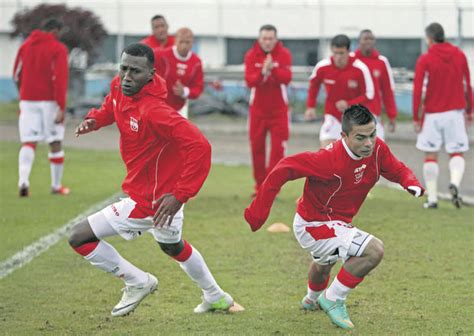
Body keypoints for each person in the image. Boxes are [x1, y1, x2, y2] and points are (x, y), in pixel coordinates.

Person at [69, 43, 234, 317]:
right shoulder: (119, 87)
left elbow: (201, 147)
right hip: (165, 197)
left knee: (79, 237)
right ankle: (216, 296)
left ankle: (138, 282)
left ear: (150, 74)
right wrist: (94, 120)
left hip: (152, 201)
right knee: (172, 246)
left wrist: (180, 195)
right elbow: (112, 107)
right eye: (124, 69)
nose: (127, 77)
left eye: (135, 71)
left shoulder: (154, 110)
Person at [244, 105, 424, 330]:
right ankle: (334, 297)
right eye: (360, 137)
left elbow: (396, 169)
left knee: (323, 264)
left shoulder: (377, 149)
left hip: (337, 223)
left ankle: (311, 300)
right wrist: (257, 213)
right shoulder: (328, 159)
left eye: (372, 135)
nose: (368, 143)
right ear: (344, 136)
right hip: (313, 225)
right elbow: (284, 168)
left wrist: (411, 182)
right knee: (373, 250)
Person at [413, 22, 472, 209]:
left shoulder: (425, 58)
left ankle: (432, 199)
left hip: (432, 115)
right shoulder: (460, 55)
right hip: (455, 113)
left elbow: (417, 90)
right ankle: (454, 182)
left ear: (429, 38)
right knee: (457, 151)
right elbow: (468, 84)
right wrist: (471, 110)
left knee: (431, 155)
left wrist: (416, 116)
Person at [12, 18, 70, 197]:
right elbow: (60, 79)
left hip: (27, 100)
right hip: (50, 102)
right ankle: (56, 185)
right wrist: (61, 106)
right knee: (55, 141)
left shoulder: (25, 46)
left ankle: (23, 180)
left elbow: (16, 75)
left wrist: (23, 94)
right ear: (55, 31)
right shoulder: (58, 48)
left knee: (29, 141)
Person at [244, 24, 292, 194]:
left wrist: (274, 69)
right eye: (264, 38)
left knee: (278, 151)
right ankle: (259, 186)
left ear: (276, 39)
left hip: (279, 112)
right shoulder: (251, 55)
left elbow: (287, 78)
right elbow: (250, 81)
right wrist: (263, 72)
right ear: (259, 39)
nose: (267, 42)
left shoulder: (284, 54)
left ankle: (271, 187)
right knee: (257, 148)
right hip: (257, 111)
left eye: (271, 38)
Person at [305, 34, 374, 148]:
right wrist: (310, 106)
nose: (338, 57)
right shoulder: (323, 67)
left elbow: (369, 95)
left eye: (341, 53)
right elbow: (313, 85)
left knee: (353, 159)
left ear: (348, 51)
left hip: (355, 120)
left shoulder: (360, 68)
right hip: (332, 116)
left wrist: (349, 104)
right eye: (335, 53)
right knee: (326, 153)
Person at [353, 29, 397, 140]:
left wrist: (391, 115)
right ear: (359, 41)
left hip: (374, 114)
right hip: (353, 115)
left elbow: (388, 91)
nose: (368, 41)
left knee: (376, 150)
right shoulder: (351, 60)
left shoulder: (382, 62)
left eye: (371, 39)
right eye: (365, 39)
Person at [155, 27, 203, 118]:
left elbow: (198, 88)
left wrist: (184, 91)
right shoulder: (161, 55)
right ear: (175, 41)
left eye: (187, 42)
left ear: (192, 43)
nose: (184, 46)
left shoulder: (196, 62)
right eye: (181, 42)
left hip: (180, 108)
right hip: (160, 105)